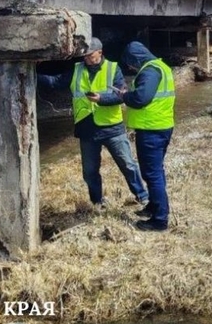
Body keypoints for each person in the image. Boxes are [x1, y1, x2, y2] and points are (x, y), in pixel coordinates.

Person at [38, 37, 148, 209]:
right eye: (84, 55)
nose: (86, 58)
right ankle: (97, 202)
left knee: (128, 164)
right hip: (87, 129)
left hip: (112, 128)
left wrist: (101, 99)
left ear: (100, 53)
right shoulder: (77, 69)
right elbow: (55, 82)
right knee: (90, 172)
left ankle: (142, 196)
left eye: (90, 55)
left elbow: (121, 96)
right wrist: (31, 74)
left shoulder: (113, 68)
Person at [118, 41, 176, 232]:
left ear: (136, 59)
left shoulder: (150, 71)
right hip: (161, 126)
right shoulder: (160, 66)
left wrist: (125, 96)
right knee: (156, 171)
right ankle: (153, 206)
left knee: (152, 174)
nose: (131, 68)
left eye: (131, 64)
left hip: (151, 130)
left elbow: (141, 98)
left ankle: (159, 220)